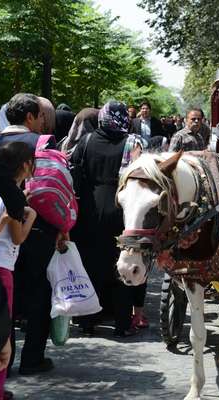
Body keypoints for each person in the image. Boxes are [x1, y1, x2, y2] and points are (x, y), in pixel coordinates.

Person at [0, 94, 65, 377]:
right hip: (35, 229)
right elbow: (56, 189)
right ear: (31, 117)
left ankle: (2, 363)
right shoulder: (44, 143)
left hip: (0, 236)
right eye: (40, 117)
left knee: (2, 302)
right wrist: (62, 227)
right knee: (38, 295)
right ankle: (32, 358)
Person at [71, 101, 144, 338]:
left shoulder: (87, 140)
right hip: (121, 208)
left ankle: (87, 322)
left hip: (89, 209)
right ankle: (122, 324)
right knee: (120, 265)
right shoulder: (132, 143)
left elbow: (76, 173)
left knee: (90, 264)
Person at [0, 142, 37, 399]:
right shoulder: (13, 197)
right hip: (3, 269)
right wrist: (30, 216)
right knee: (1, 336)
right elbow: (18, 237)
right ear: (24, 164)